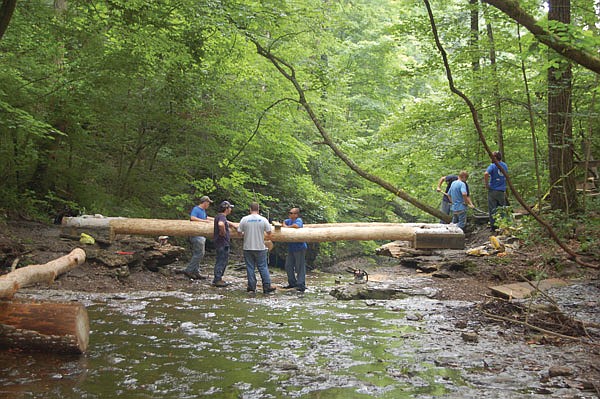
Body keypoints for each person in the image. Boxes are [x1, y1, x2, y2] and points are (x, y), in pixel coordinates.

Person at [237, 202, 276, 294]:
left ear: (250, 209)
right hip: (260, 247)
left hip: (247, 247)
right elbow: (269, 232)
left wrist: (244, 234)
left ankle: (251, 287)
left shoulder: (244, 219)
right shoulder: (263, 219)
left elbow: (239, 232)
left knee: (250, 267)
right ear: (258, 210)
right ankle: (267, 286)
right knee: (263, 267)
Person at [183, 196, 213, 280]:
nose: (209, 205)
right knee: (199, 253)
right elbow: (192, 218)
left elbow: (206, 218)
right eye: (208, 203)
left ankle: (196, 271)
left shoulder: (203, 211)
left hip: (201, 235)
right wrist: (204, 221)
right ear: (205, 202)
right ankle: (189, 270)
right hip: (196, 235)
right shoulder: (196, 209)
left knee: (199, 253)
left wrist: (216, 219)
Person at [281, 207, 308, 292]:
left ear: (296, 214)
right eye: (289, 213)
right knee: (288, 265)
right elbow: (283, 223)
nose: (289, 214)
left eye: (291, 213)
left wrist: (287, 227)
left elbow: (297, 226)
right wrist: (287, 226)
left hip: (299, 247)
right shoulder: (288, 220)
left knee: (299, 266)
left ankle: (301, 284)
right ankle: (292, 283)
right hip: (291, 247)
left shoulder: (299, 220)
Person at [212, 200, 237, 287]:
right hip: (222, 243)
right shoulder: (222, 217)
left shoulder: (219, 216)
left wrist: (232, 224)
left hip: (219, 243)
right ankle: (217, 280)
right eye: (230, 208)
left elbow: (224, 222)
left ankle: (218, 278)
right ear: (226, 208)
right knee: (221, 261)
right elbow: (221, 224)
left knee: (221, 260)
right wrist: (223, 233)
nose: (231, 209)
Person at [484, 151, 508, 231]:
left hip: (493, 190)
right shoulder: (505, 165)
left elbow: (486, 174)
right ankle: (504, 225)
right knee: (502, 208)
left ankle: (494, 227)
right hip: (501, 190)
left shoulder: (493, 166)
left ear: (495, 157)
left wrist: (487, 185)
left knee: (492, 209)